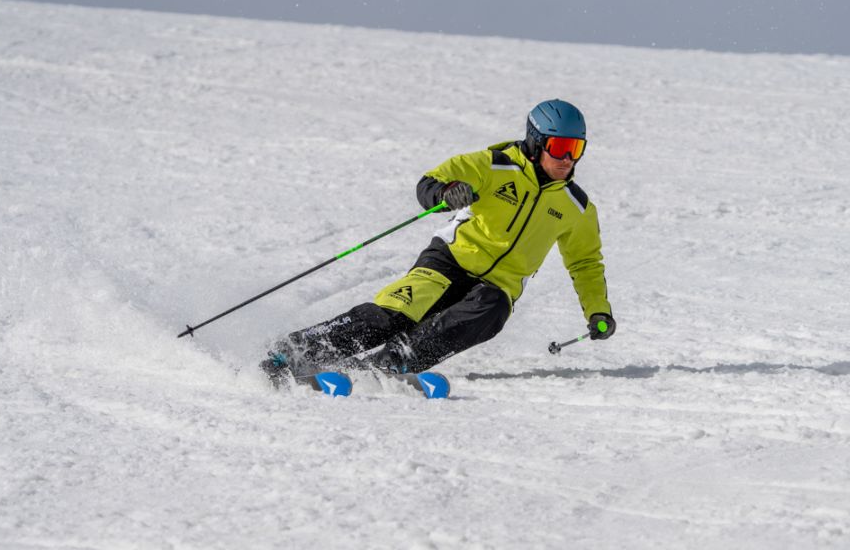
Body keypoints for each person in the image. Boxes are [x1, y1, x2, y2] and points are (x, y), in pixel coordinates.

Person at [260, 99, 615, 381]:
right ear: (536, 142)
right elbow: (430, 182)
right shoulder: (493, 165)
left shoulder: (576, 207)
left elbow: (585, 262)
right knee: (394, 314)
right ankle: (295, 351)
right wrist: (446, 192)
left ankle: (393, 361)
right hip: (448, 262)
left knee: (489, 311)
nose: (567, 158)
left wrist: (598, 310)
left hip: (498, 286)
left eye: (576, 149)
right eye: (560, 147)